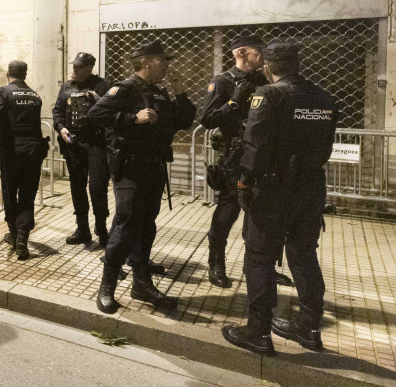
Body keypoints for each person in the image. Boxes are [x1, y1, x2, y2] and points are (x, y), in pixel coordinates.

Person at [223, 41, 336, 357]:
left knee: (258, 255)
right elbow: (325, 148)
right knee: (303, 253)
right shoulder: (324, 98)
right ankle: (309, 327)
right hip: (311, 185)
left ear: (269, 66)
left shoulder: (269, 95)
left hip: (273, 188)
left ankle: (258, 331)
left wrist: (244, 182)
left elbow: (255, 147)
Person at [88, 40, 196, 314]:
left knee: (146, 226)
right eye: (163, 61)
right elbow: (96, 113)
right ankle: (107, 286)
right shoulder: (125, 88)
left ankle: (141, 283)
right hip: (130, 169)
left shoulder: (159, 92)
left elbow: (184, 121)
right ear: (146, 61)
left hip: (154, 168)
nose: (167, 66)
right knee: (126, 224)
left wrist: (179, 91)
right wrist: (131, 118)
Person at [200, 35, 267, 288]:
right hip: (233, 156)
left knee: (260, 212)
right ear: (240, 52)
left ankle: (259, 266)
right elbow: (207, 119)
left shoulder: (262, 80)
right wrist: (234, 101)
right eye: (257, 51)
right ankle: (216, 263)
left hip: (260, 155)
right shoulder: (223, 81)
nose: (261, 55)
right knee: (228, 210)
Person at [0, 60, 48, 261]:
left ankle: (14, 234)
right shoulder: (35, 94)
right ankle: (23, 241)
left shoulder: (4, 92)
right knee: (28, 194)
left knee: (10, 192)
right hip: (34, 149)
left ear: (7, 73)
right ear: (25, 74)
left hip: (12, 150)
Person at [52, 52, 112, 247]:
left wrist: (98, 99)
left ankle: (101, 227)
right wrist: (61, 128)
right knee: (77, 187)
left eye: (78, 67)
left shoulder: (103, 85)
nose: (74, 70)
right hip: (73, 145)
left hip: (96, 145)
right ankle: (83, 229)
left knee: (97, 187)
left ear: (89, 69)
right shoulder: (67, 86)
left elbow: (112, 112)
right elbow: (58, 111)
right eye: (74, 66)